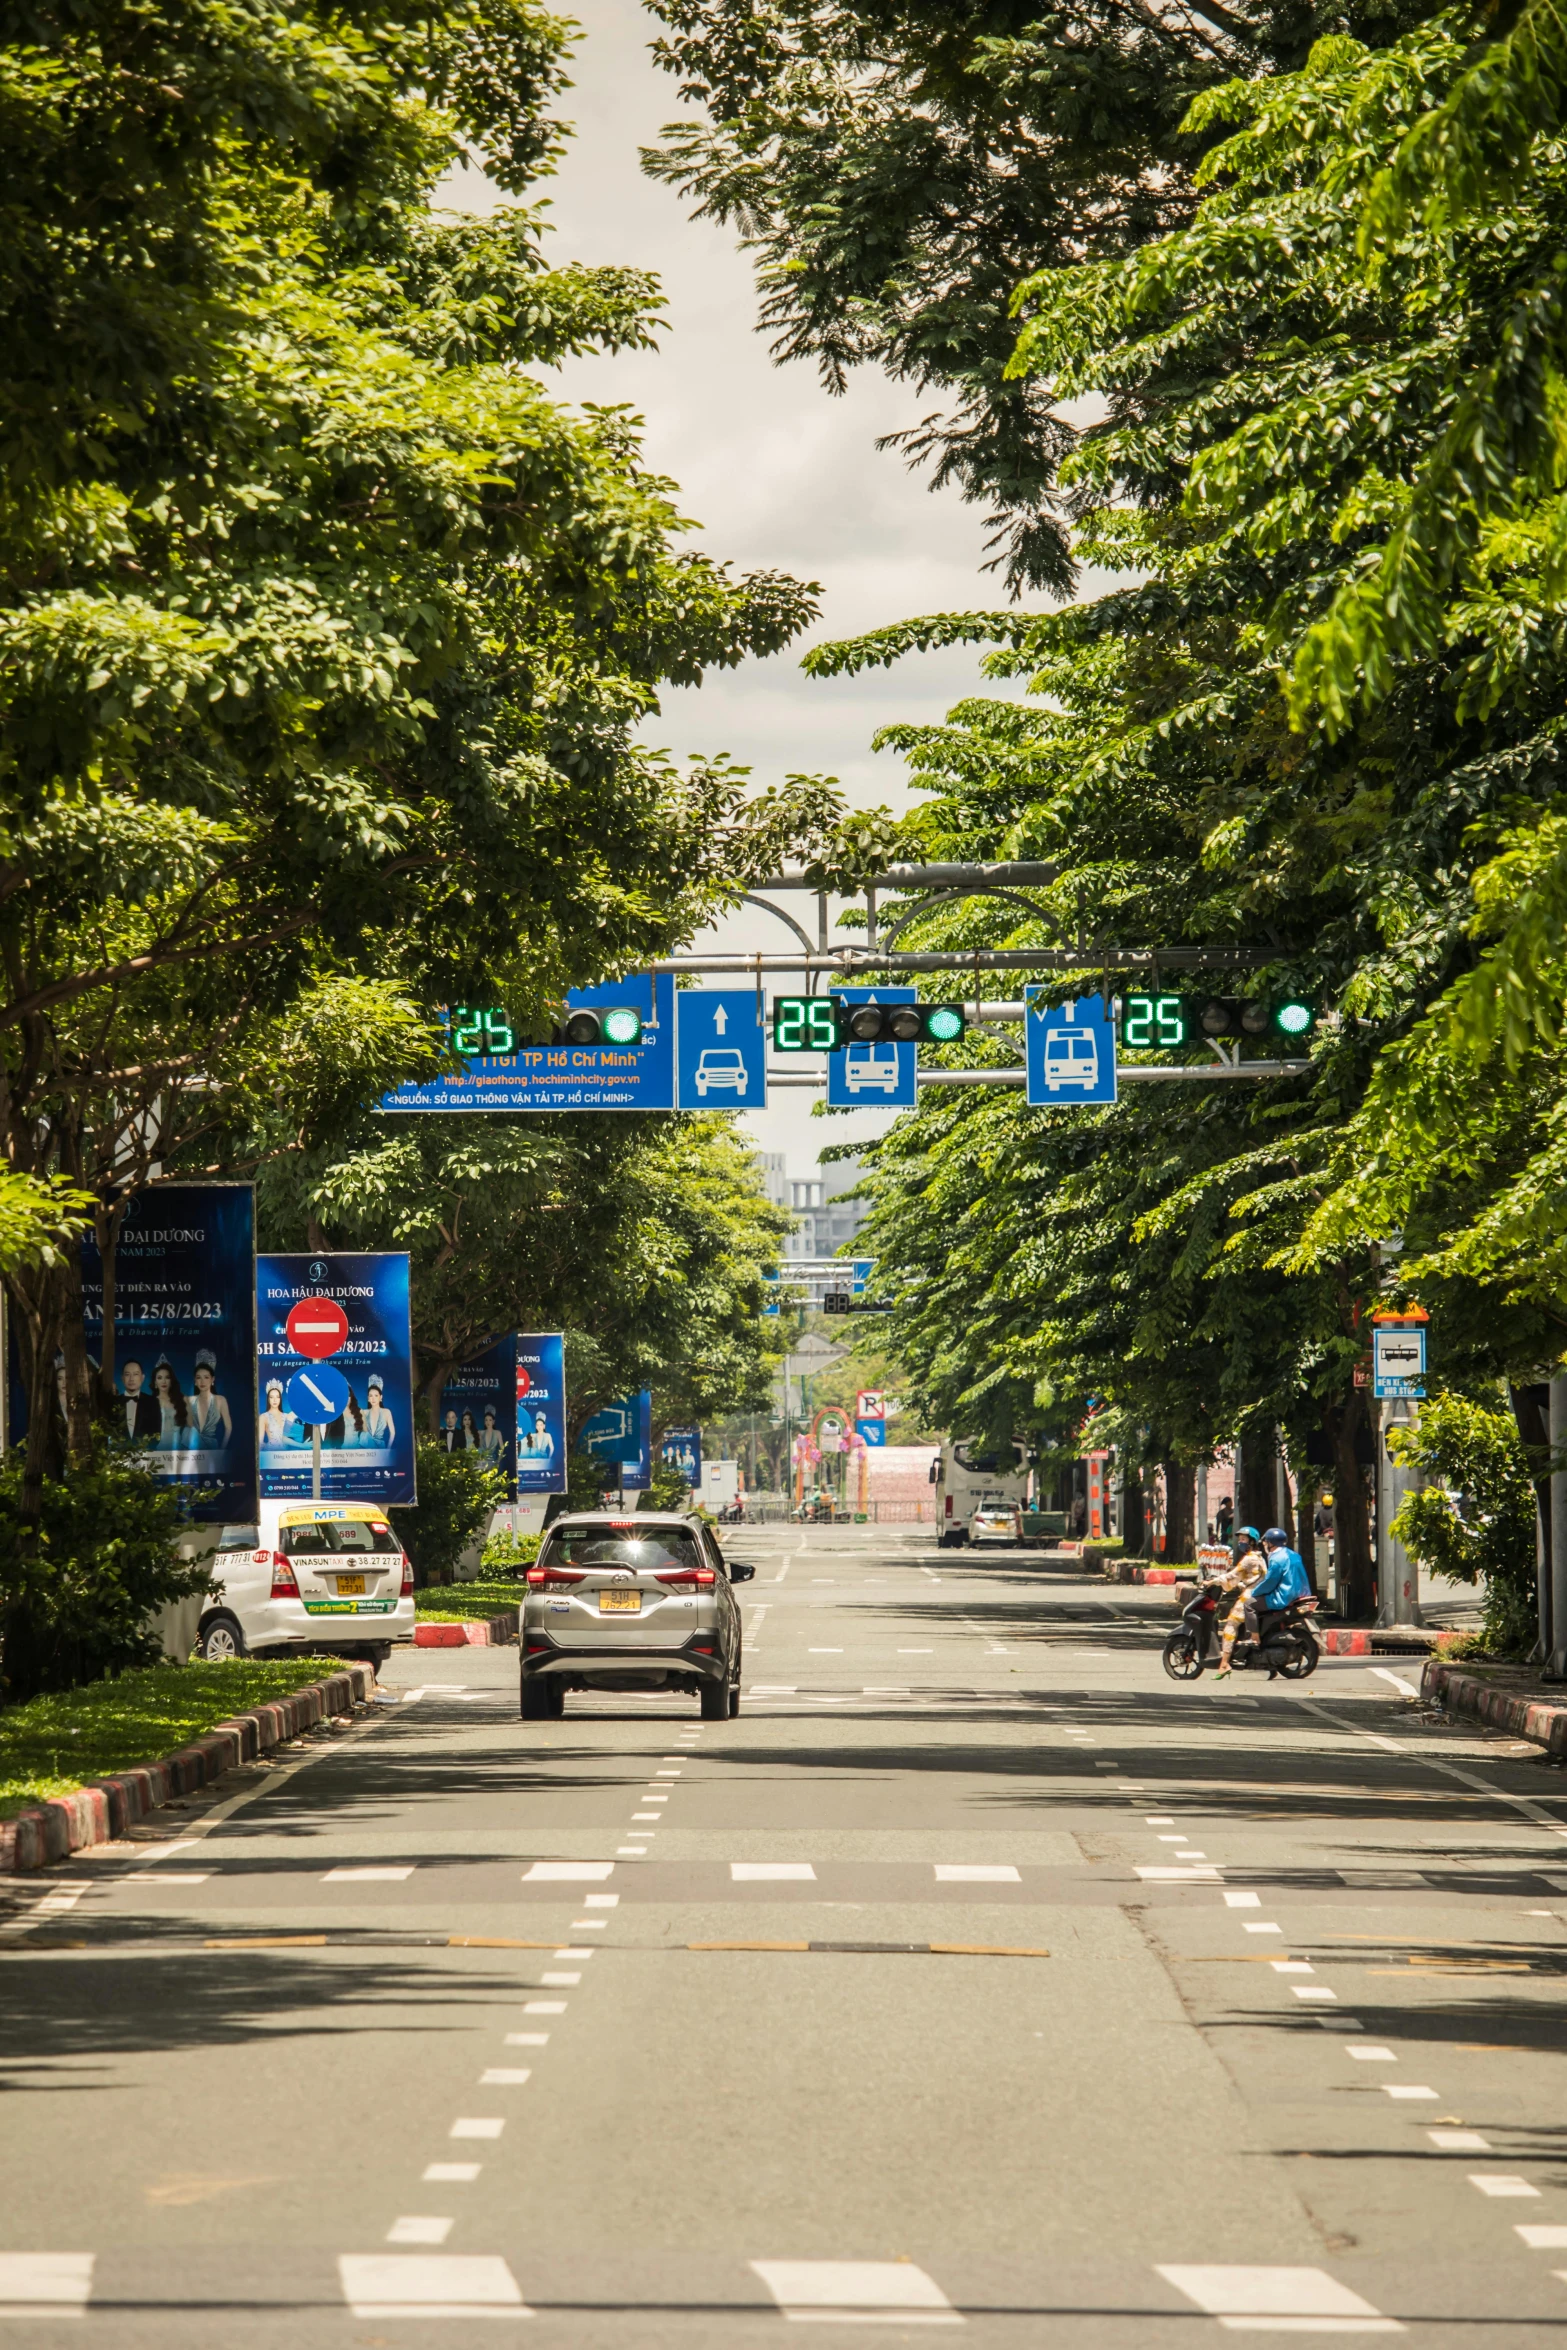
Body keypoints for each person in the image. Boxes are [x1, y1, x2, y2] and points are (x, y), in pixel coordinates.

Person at [1216, 1526, 1269, 1677]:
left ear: (1252, 1541)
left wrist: (1212, 1582)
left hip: (1249, 1596)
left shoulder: (1249, 1559)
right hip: (1256, 1593)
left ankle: (1224, 1662)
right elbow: (1252, 1579)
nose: (1241, 1542)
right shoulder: (1259, 1557)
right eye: (1239, 1539)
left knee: (1230, 1625)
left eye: (1244, 1539)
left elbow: (1232, 1576)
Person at [187, 1351, 233, 1452]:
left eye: (206, 1377)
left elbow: (228, 1427)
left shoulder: (220, 1400)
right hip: (192, 1449)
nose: (202, 1381)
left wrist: (222, 1450)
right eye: (199, 1378)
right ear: (195, 1381)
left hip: (213, 1450)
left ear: (212, 1380)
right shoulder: (190, 1401)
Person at [152, 1359, 192, 1454]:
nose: (164, 1381)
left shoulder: (183, 1399)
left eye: (167, 1377)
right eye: (160, 1378)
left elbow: (190, 1426)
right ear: (155, 1382)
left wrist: (185, 1445)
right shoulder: (150, 1402)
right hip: (155, 1451)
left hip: (177, 1450)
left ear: (171, 1381)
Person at [119, 1359, 162, 1443]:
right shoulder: (114, 1402)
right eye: (127, 1375)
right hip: (118, 1454)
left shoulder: (153, 1402)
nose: (131, 1379)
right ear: (122, 1378)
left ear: (142, 1378)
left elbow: (156, 1434)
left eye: (135, 1374)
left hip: (146, 1454)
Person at [362, 1374, 395, 1449]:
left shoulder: (386, 1412)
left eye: (376, 1395)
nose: (373, 1398)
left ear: (381, 1397)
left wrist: (388, 1449)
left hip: (380, 1448)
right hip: (365, 1449)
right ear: (368, 1398)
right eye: (371, 1396)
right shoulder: (364, 1412)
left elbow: (392, 1433)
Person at [259, 1377, 288, 1448]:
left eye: (277, 1397)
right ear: (268, 1399)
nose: (274, 1400)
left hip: (287, 1454)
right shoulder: (263, 1417)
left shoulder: (287, 1416)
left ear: (280, 1399)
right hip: (271, 1453)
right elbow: (260, 1442)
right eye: (271, 1397)